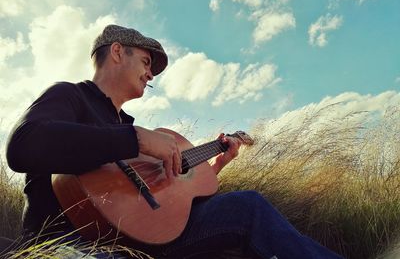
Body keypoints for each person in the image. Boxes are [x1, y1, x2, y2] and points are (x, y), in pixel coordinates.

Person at [6, 24, 343, 259]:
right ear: (118, 52)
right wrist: (135, 139)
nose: (151, 74)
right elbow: (23, 146)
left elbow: (160, 210)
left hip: (137, 245)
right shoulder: (70, 96)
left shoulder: (128, 127)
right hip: (67, 245)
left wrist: (214, 166)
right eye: (146, 61)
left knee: (248, 206)